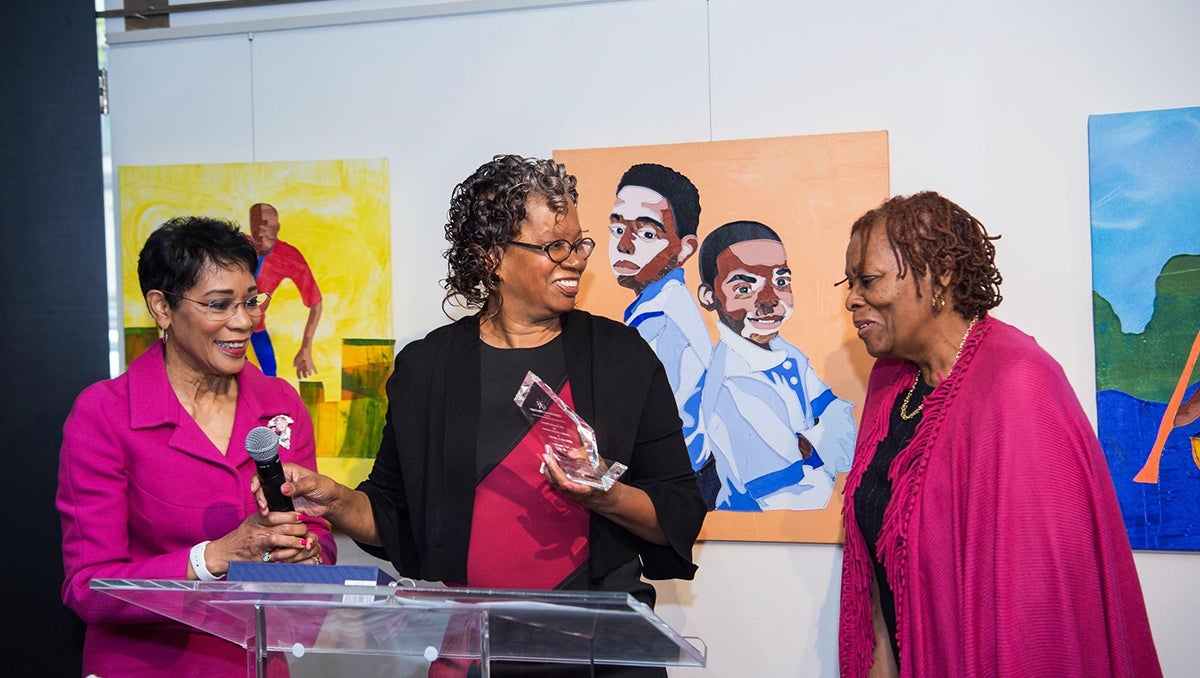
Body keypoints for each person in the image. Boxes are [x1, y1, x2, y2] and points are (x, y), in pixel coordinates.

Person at [253, 154, 707, 677]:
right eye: (554, 246)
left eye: (579, 243)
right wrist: (334, 501)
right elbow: (393, 515)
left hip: (601, 655)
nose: (578, 259)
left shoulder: (623, 358)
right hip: (473, 655)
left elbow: (679, 510)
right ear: (491, 256)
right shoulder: (428, 368)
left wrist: (608, 495)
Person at [837, 192, 1161, 677]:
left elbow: (1040, 606)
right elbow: (880, 569)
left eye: (870, 280)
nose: (852, 298)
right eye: (851, 283)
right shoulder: (890, 382)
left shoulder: (1019, 382)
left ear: (940, 273)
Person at [57, 216, 334, 678]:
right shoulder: (104, 413)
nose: (244, 321)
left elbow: (316, 537)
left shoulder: (280, 403)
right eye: (219, 305)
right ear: (162, 308)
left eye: (250, 301)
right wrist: (214, 557)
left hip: (260, 663)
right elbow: (90, 588)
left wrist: (308, 553)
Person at [696, 220, 858, 511]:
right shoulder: (733, 384)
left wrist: (806, 445)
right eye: (744, 287)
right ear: (710, 297)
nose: (770, 300)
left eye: (781, 282)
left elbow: (846, 429)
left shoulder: (786, 352)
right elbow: (795, 497)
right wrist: (821, 438)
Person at [608, 162, 719, 508]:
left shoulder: (659, 324)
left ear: (685, 249)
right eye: (617, 229)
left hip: (677, 485)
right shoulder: (664, 303)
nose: (624, 245)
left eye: (646, 234)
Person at [248, 202, 323, 379]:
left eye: (268, 224)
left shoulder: (288, 255)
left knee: (270, 378)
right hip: (226, 329)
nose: (262, 230)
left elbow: (316, 303)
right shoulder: (235, 247)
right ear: (252, 226)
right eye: (258, 224)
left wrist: (306, 348)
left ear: (278, 226)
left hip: (257, 329)